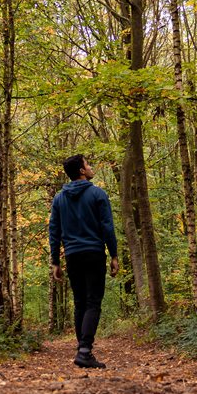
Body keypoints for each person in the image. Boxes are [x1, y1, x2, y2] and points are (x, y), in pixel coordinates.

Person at [49, 154, 120, 368]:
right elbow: (107, 226)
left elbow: (54, 231)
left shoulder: (59, 198)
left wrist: (55, 261)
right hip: (94, 253)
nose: (90, 167)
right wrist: (114, 255)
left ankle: (82, 349)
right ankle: (85, 351)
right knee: (92, 302)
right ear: (81, 171)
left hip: (72, 255)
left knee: (80, 302)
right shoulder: (98, 194)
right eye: (87, 164)